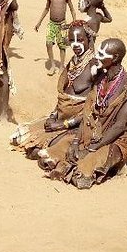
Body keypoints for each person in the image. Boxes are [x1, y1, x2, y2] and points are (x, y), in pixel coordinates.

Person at [38, 38, 127, 189]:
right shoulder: (101, 79)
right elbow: (87, 114)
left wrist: (91, 148)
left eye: (102, 54)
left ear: (115, 58)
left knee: (81, 175)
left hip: (113, 140)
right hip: (89, 135)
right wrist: (77, 142)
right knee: (50, 156)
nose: (97, 56)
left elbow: (120, 126)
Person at [11, 21, 97, 158]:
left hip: (77, 123)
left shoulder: (95, 67)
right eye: (71, 40)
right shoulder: (73, 63)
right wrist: (53, 116)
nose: (75, 44)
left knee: (37, 152)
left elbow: (93, 108)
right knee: (18, 139)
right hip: (62, 116)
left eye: (80, 40)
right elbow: (63, 96)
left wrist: (64, 124)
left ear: (89, 39)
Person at [34, 0, 77, 76]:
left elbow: (72, 9)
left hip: (62, 25)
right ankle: (53, 65)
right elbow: (46, 9)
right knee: (49, 43)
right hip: (51, 24)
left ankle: (61, 66)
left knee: (62, 46)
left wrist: (74, 22)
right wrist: (39, 22)